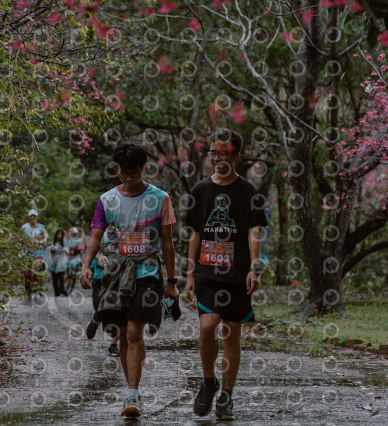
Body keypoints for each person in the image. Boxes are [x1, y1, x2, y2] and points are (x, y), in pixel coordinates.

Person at [80, 142, 179, 418]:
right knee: (123, 333)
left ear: (144, 168)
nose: (129, 178)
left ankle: (133, 393)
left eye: (134, 173)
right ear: (116, 169)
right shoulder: (107, 200)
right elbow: (96, 236)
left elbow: (168, 243)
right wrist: (86, 266)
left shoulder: (160, 198)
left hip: (147, 272)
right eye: (124, 173)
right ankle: (131, 390)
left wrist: (172, 281)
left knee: (135, 331)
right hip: (115, 275)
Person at [184, 128, 268, 420]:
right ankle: (209, 383)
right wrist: (190, 273)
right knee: (207, 327)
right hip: (207, 272)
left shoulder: (249, 192)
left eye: (223, 153)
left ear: (236, 156)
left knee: (232, 335)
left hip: (237, 274)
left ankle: (226, 396)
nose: (217, 158)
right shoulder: (200, 190)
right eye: (213, 153)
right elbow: (195, 233)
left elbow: (254, 231)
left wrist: (254, 267)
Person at [86, 233, 119, 356]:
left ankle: (113, 344)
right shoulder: (98, 228)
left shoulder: (125, 226)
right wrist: (99, 256)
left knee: (117, 309)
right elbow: (90, 249)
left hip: (119, 275)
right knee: (99, 305)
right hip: (99, 274)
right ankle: (96, 319)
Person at [20, 209, 48, 297]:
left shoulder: (41, 227)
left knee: (36, 269)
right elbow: (20, 238)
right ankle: (28, 288)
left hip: (38, 252)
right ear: (29, 217)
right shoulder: (24, 227)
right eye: (31, 216)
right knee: (28, 272)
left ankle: (37, 287)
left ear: (37, 217)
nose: (33, 218)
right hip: (27, 252)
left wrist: (39, 241)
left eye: (34, 216)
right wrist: (26, 242)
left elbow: (45, 237)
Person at [49, 229, 69, 297]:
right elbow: (50, 250)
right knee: (54, 278)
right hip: (54, 262)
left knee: (61, 277)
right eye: (58, 234)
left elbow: (67, 251)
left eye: (61, 234)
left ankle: (62, 290)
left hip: (61, 262)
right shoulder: (53, 242)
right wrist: (53, 249)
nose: (59, 235)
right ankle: (56, 292)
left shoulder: (65, 242)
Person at [66, 227, 84, 294]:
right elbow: (67, 249)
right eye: (72, 233)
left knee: (72, 276)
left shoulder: (79, 241)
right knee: (68, 276)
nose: (73, 234)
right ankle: (66, 290)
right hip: (68, 261)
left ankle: (70, 290)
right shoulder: (69, 240)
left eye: (74, 233)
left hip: (75, 261)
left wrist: (73, 251)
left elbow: (81, 250)